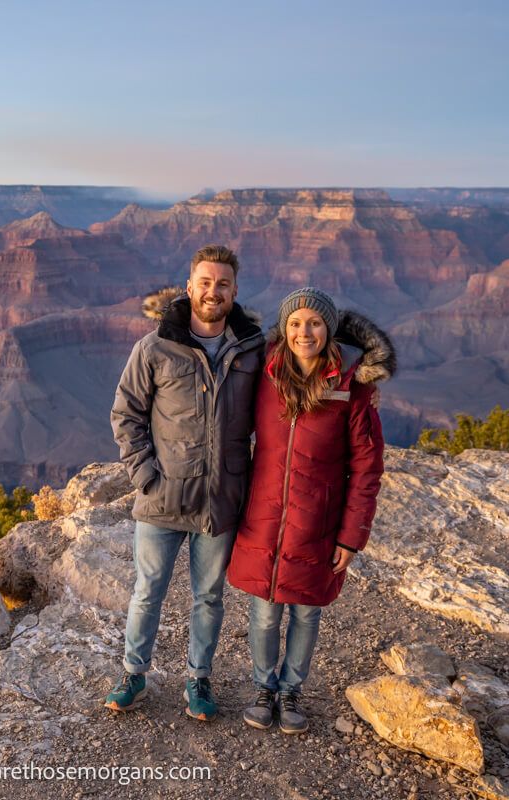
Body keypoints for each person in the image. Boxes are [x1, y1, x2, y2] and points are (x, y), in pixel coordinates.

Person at [105, 244, 265, 721]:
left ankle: (198, 679)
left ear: (234, 291)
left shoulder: (254, 348)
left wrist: (361, 384)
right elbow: (126, 414)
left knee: (209, 596)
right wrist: (144, 475)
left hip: (220, 499)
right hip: (162, 497)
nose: (212, 291)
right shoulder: (154, 347)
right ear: (189, 286)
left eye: (223, 284)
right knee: (147, 589)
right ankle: (134, 673)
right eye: (205, 282)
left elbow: (304, 370)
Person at [226, 287, 393, 734]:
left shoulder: (353, 388)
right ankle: (264, 687)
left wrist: (351, 536)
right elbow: (207, 342)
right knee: (263, 612)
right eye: (296, 323)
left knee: (305, 611)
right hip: (263, 516)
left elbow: (366, 468)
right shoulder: (262, 373)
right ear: (284, 329)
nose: (305, 332)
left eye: (315, 323)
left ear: (329, 329)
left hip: (318, 523)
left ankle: (290, 691)